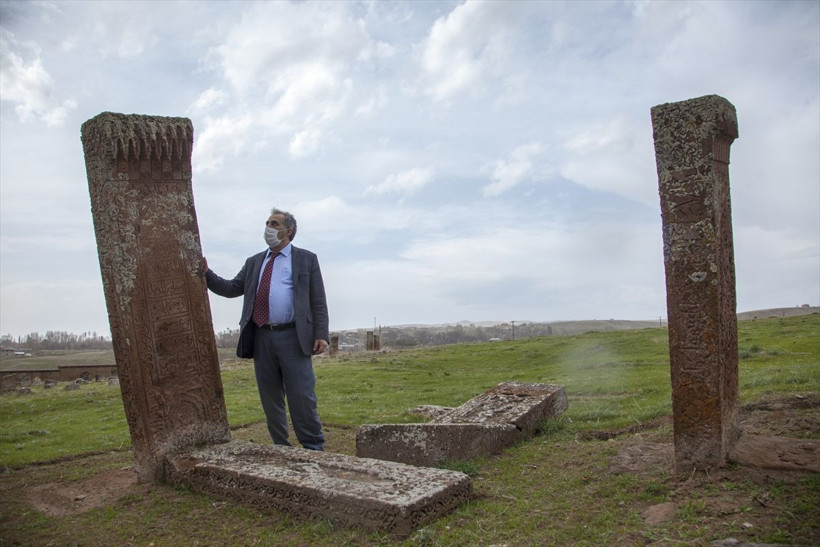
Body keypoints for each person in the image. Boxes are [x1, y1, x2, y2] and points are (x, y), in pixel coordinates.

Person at [204, 207, 328, 450]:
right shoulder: (254, 262)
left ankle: (314, 449)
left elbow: (318, 299)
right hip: (262, 337)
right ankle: (281, 447)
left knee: (301, 397)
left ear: (288, 231)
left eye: (274, 224)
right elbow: (231, 288)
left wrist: (321, 333)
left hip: (294, 336)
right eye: (268, 223)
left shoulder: (306, 259)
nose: (268, 228)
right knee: (270, 399)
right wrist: (206, 273)